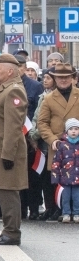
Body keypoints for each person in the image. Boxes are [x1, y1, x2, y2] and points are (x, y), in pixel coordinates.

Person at [0, 53, 30, 245]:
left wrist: (8, 154)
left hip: (6, 149)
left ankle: (12, 233)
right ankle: (8, 231)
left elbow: (13, 126)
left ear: (10, 71)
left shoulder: (14, 91)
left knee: (9, 192)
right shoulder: (4, 88)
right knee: (3, 191)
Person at [35, 64, 79, 221]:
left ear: (73, 78)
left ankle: (75, 210)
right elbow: (42, 123)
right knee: (56, 178)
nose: (63, 80)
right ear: (55, 79)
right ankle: (58, 209)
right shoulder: (48, 98)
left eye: (67, 77)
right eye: (60, 77)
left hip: (77, 145)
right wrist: (52, 139)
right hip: (58, 146)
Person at [51, 117, 79, 222]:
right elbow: (56, 162)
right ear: (67, 131)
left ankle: (77, 214)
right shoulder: (62, 145)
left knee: (77, 197)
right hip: (65, 179)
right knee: (65, 197)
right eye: (71, 129)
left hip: (77, 178)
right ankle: (66, 213)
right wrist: (55, 177)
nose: (73, 131)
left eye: (76, 129)